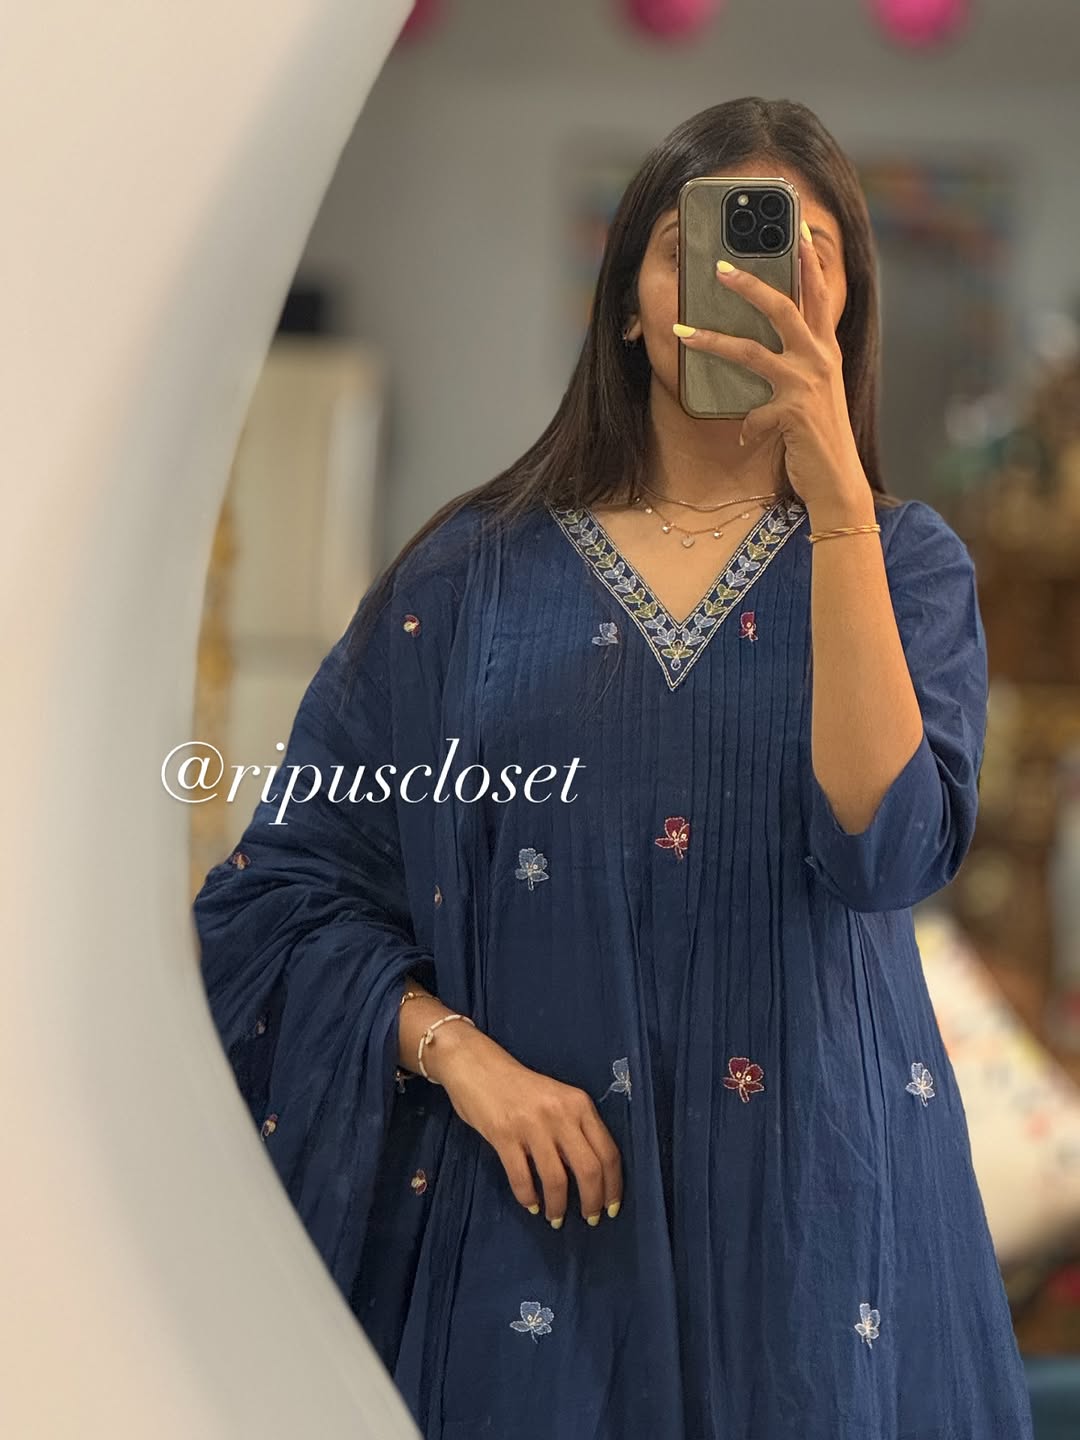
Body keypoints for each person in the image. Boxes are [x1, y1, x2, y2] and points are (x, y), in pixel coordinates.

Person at [193, 96, 1035, 1439]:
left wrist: (835, 502)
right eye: (697, 252)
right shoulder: (468, 580)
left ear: (844, 312)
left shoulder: (904, 565)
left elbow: (883, 851)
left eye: (803, 256)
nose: (749, 289)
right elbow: (280, 897)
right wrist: (462, 1058)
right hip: (528, 1236)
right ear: (631, 309)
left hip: (815, 1243)